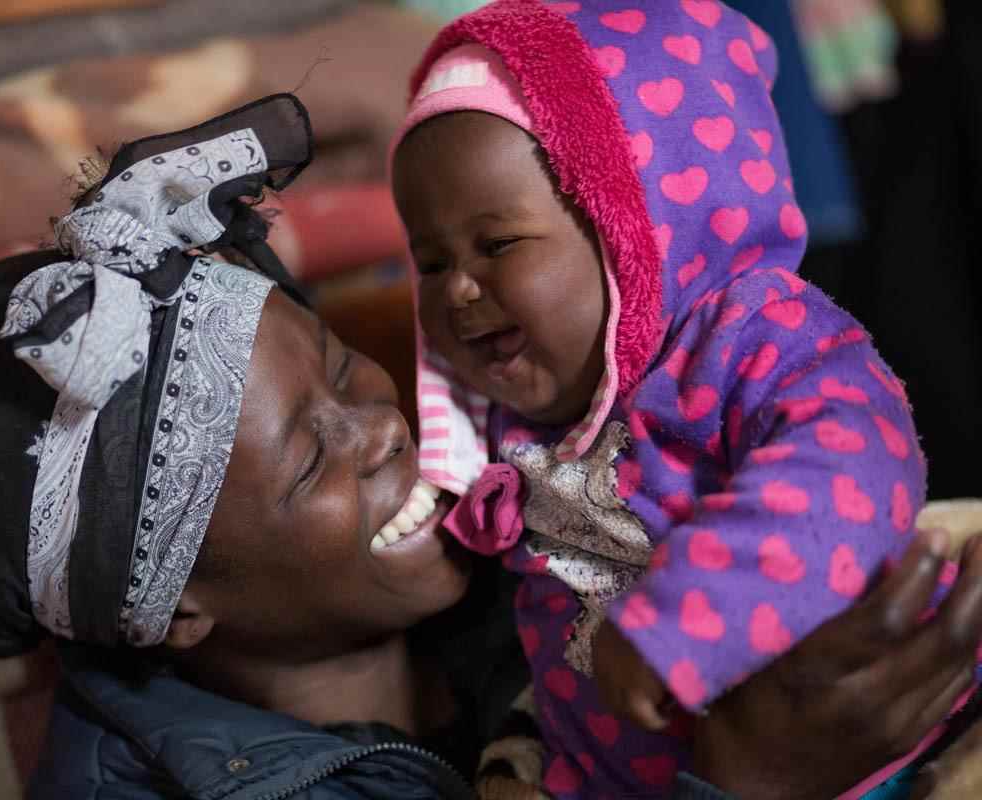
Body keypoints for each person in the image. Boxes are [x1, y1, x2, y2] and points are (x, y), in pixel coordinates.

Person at [0, 94, 982, 800]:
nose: (383, 426)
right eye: (308, 462)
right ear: (178, 604)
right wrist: (748, 782)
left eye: (348, 369)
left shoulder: (533, 555)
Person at [388, 1, 974, 796]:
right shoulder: (522, 419)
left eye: (497, 245)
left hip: (896, 756)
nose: (458, 288)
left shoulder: (755, 336)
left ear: (642, 220)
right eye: (428, 261)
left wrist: (690, 617)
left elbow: (854, 473)